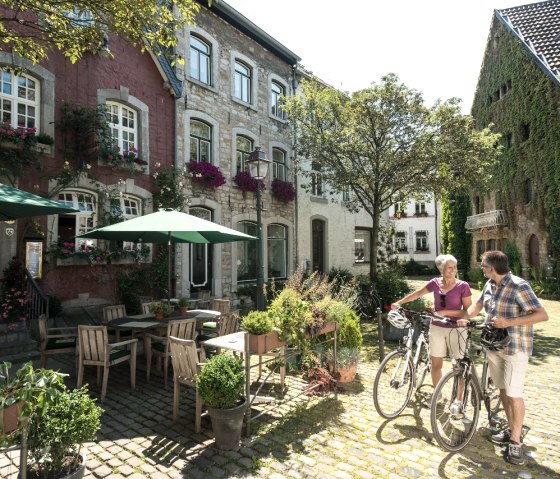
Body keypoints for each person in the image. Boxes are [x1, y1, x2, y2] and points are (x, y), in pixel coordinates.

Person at [458, 250, 548, 466]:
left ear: (491, 268)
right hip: (493, 346)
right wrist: (464, 317)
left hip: (515, 348)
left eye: (483, 265)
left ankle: (516, 441)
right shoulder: (489, 285)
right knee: (503, 390)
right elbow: (477, 305)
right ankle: (509, 429)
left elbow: (541, 314)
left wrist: (508, 322)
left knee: (514, 394)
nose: (481, 268)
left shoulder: (519, 286)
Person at [391, 254, 472, 407]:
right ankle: (438, 395)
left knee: (459, 366)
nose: (453, 270)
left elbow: (468, 312)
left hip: (457, 329)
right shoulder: (435, 283)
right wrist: (399, 302)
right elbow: (417, 294)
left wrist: (446, 312)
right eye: (450, 267)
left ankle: (459, 400)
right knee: (436, 365)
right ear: (441, 269)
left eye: (455, 267)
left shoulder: (463, 286)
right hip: (437, 328)